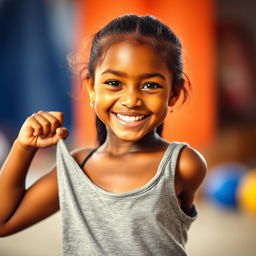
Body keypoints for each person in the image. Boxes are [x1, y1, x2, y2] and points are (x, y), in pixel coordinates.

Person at [0, 14, 207, 255]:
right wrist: (23, 147)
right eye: (114, 83)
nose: (131, 100)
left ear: (173, 94)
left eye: (150, 85)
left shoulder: (185, 165)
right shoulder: (77, 167)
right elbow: (3, 223)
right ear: (91, 88)